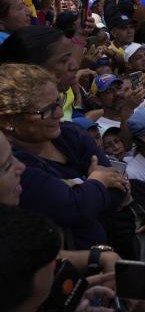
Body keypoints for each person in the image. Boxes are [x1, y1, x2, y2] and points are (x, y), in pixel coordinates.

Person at [0, 63, 127, 248]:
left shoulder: (71, 133)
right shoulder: (13, 163)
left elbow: (119, 190)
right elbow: (74, 209)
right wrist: (98, 181)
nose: (59, 113)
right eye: (46, 110)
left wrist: (80, 190)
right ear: (9, 120)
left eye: (58, 102)